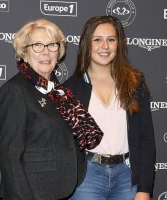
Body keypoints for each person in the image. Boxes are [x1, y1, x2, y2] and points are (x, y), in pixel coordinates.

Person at [0, 19, 103, 200]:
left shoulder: (59, 92)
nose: (46, 52)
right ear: (24, 52)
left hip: (59, 190)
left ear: (58, 52)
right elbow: (9, 156)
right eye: (37, 45)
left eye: (52, 45)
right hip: (31, 193)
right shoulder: (15, 90)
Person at [64, 15, 156, 200]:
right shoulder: (70, 90)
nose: (104, 46)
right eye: (97, 39)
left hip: (127, 178)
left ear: (118, 44)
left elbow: (146, 139)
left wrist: (144, 188)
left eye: (111, 39)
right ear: (86, 44)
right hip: (86, 178)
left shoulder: (134, 84)